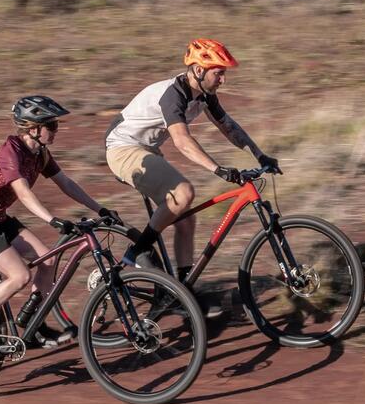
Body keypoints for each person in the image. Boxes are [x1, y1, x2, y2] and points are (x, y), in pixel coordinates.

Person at [104, 39, 278, 315]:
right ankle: (137, 252)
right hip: (122, 148)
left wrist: (260, 156)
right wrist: (217, 169)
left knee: (186, 219)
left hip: (147, 149)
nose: (222, 79)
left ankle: (181, 292)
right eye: (218, 72)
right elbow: (182, 141)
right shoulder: (173, 94)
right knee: (184, 193)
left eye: (223, 73)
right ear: (198, 70)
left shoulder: (204, 95)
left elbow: (228, 127)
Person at [0, 96, 120, 360]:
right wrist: (51, 219)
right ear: (33, 128)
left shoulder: (39, 153)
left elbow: (66, 183)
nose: (57, 129)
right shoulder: (10, 152)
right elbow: (22, 192)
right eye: (52, 125)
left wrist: (99, 208)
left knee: (47, 260)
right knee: (20, 276)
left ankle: (32, 324)